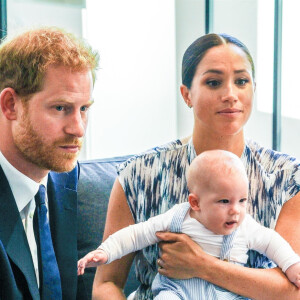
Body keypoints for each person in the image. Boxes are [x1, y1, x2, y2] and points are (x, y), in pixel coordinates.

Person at [92, 33, 300, 300]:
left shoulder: (287, 177)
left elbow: (292, 292)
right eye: (214, 82)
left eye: (241, 81)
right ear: (187, 94)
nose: (230, 95)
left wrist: (201, 265)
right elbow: (105, 284)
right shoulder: (139, 174)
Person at [78, 150, 300, 299]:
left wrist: (292, 267)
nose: (236, 210)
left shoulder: (245, 226)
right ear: (195, 203)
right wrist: (105, 252)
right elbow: (136, 234)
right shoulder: (178, 217)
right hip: (176, 290)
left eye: (242, 200)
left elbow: (274, 244)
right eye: (224, 201)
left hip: (226, 294)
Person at [0, 27, 99, 300]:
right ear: (10, 105)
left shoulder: (65, 178)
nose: (78, 129)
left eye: (84, 109)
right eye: (60, 108)